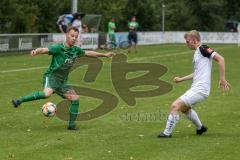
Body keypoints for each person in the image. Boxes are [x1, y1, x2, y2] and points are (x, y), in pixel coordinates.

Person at [12, 27, 114, 131]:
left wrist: (104, 54)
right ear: (67, 35)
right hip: (52, 76)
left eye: (76, 36)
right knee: (46, 94)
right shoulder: (58, 48)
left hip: (62, 81)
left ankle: (71, 125)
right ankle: (19, 100)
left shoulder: (76, 50)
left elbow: (88, 53)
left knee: (75, 99)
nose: (74, 38)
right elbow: (45, 49)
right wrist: (36, 51)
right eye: (72, 36)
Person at [158, 30, 230, 138]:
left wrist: (222, 78)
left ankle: (166, 133)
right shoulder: (197, 52)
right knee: (184, 109)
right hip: (197, 88)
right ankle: (200, 128)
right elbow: (197, 73)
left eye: (187, 41)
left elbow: (221, 59)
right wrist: (181, 79)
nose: (186, 44)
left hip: (200, 89)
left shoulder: (203, 48)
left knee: (175, 105)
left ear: (194, 40)